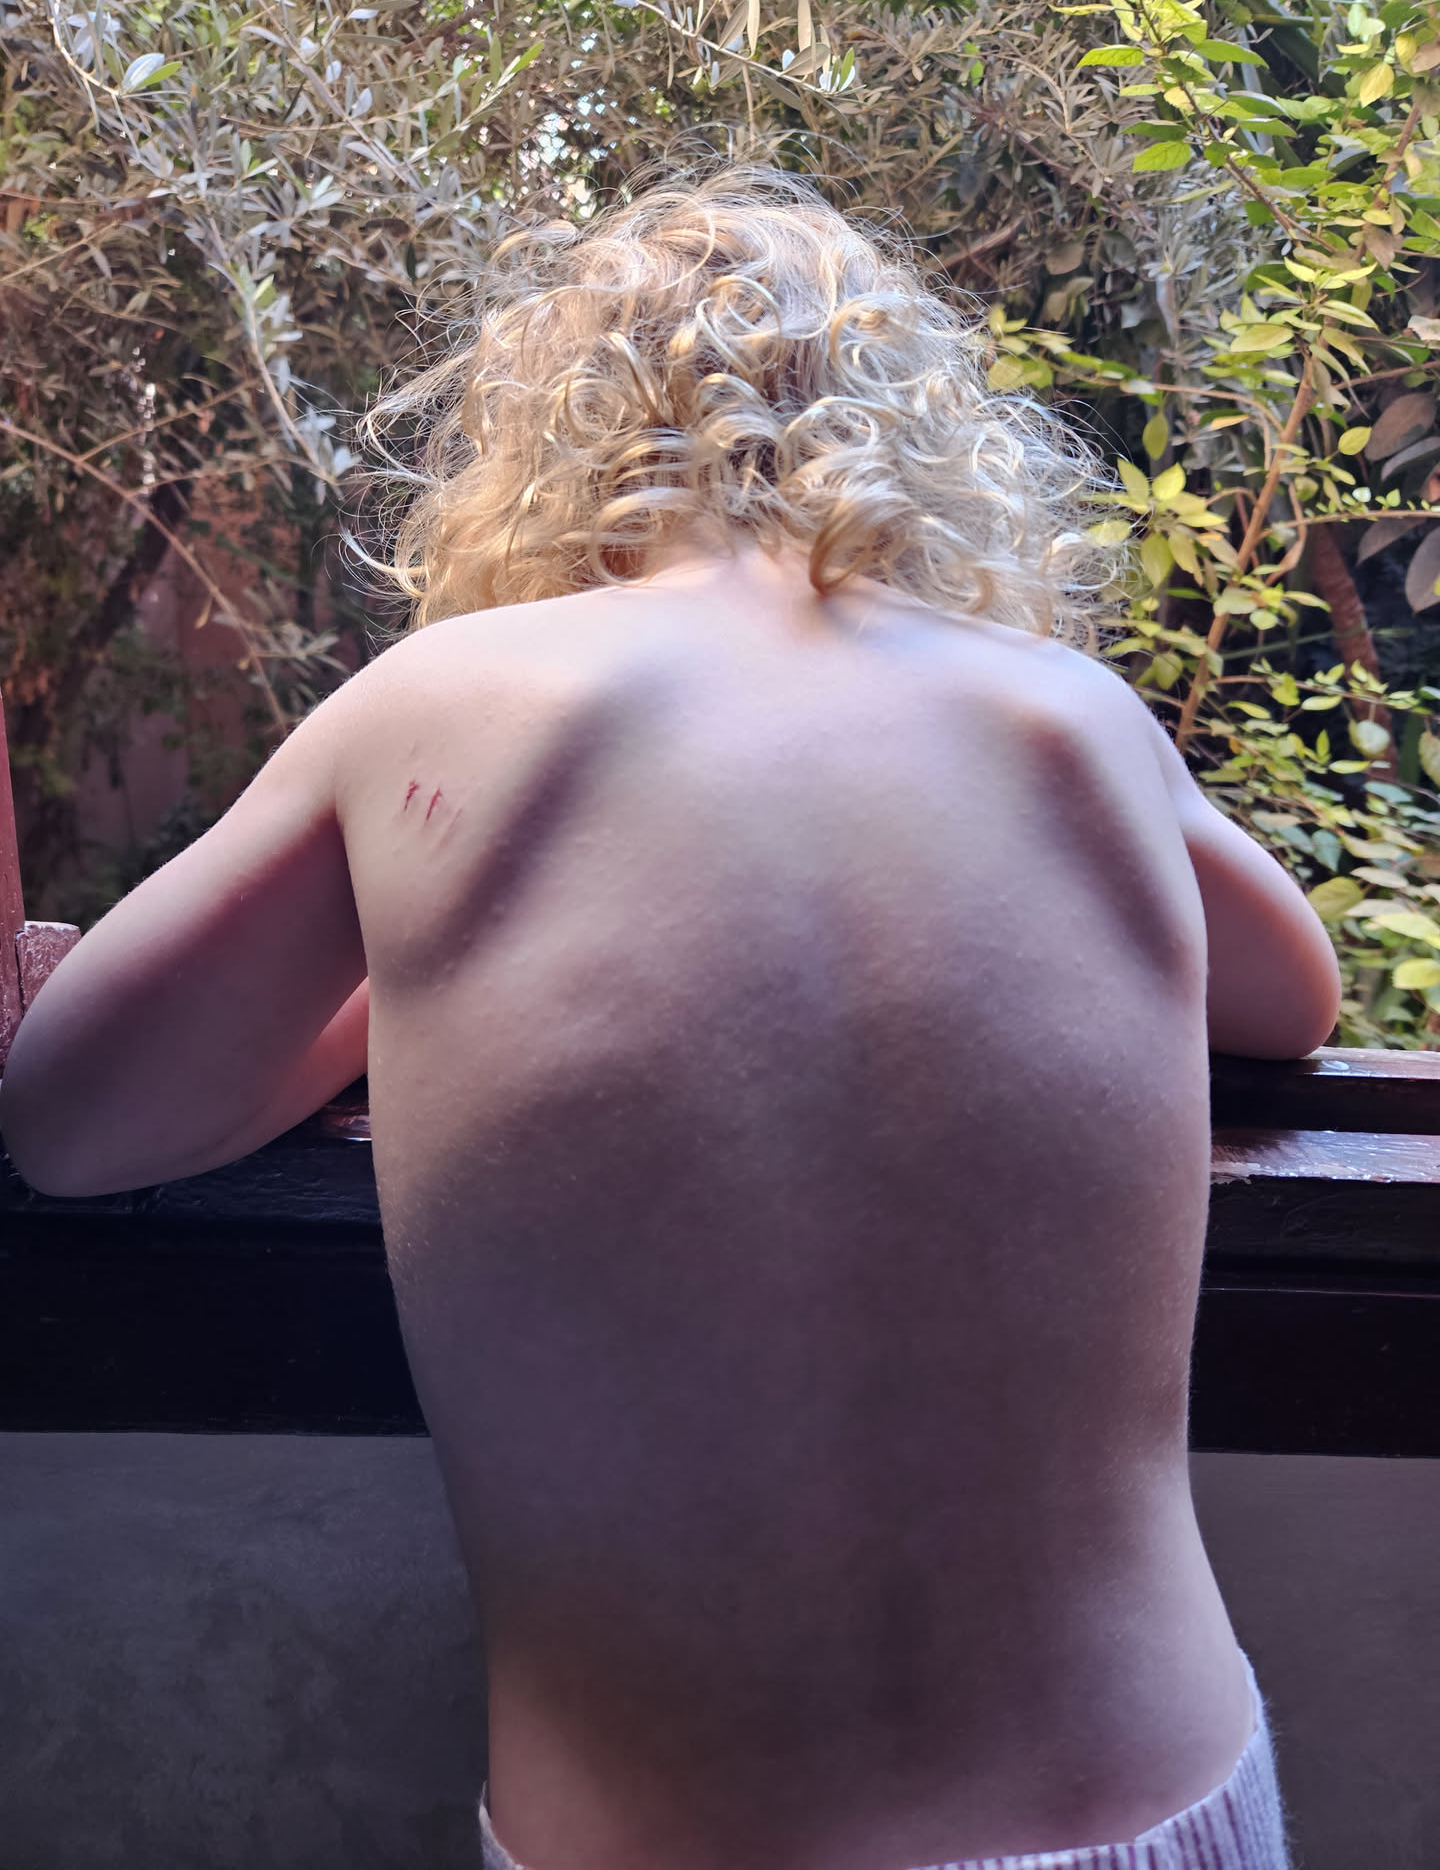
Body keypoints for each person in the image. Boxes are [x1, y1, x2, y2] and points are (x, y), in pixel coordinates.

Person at [0, 168, 1339, 1870]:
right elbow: (1292, 995)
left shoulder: (442, 704)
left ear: (549, 446)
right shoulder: (1070, 716)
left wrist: (415, 982)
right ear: (915, 436)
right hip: (1165, 1807)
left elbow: (77, 1116)